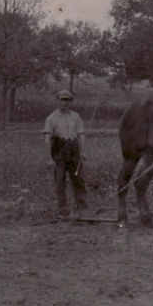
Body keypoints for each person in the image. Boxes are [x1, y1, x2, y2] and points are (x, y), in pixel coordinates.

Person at [43, 89, 89, 219]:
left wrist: (83, 152)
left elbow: (81, 135)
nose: (64, 103)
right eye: (62, 99)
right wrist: (49, 158)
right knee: (60, 180)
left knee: (78, 179)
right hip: (59, 150)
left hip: (74, 149)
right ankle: (63, 210)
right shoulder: (51, 118)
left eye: (67, 100)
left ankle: (83, 208)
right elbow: (47, 138)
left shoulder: (76, 117)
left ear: (70, 102)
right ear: (57, 100)